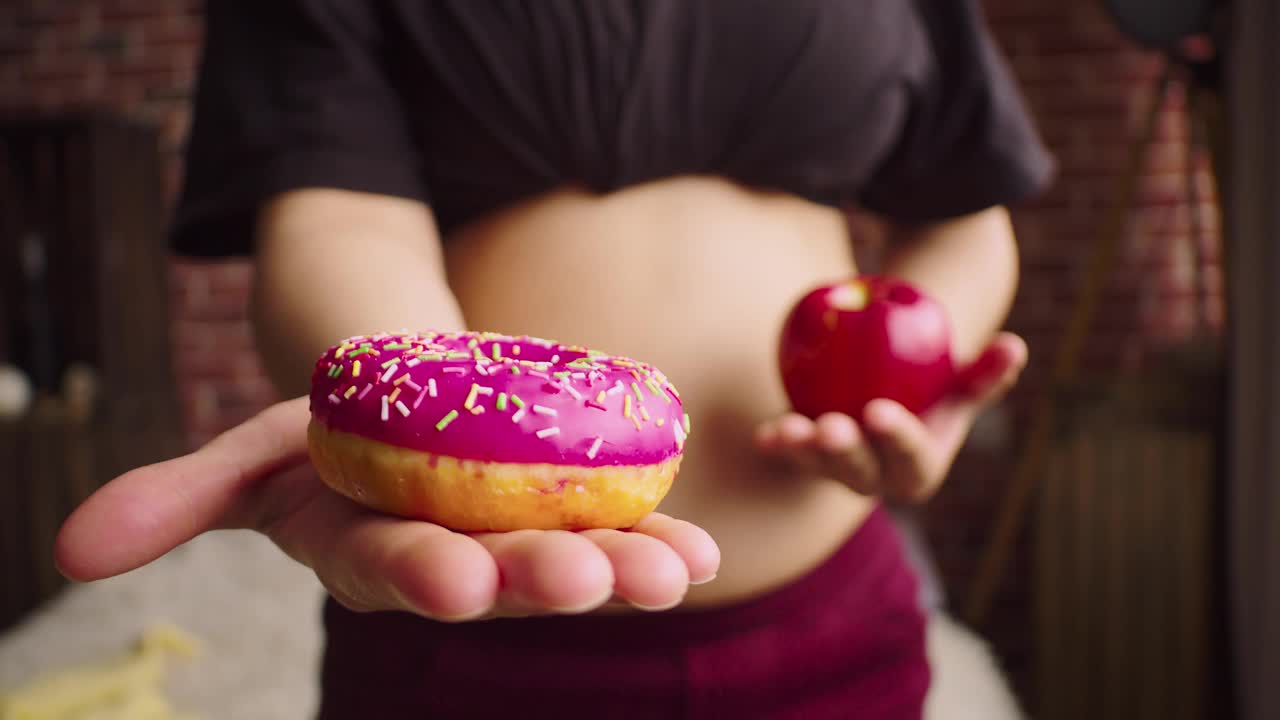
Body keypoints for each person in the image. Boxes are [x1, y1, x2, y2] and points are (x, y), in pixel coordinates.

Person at [56, 1, 1054, 717]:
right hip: (464, 650)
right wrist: (397, 418)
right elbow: (340, 212)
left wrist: (911, 389)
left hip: (834, 624)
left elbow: (962, 220)